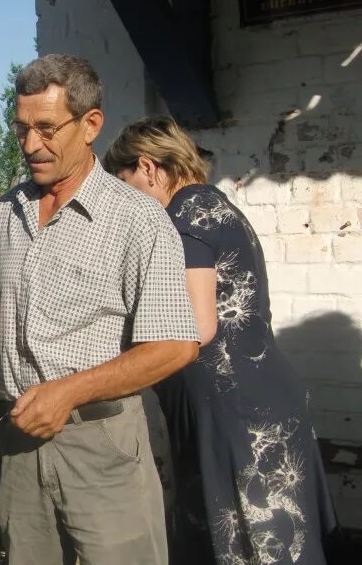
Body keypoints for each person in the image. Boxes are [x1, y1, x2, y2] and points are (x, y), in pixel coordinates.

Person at [0, 54, 200, 565]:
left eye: (47, 129)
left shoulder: (137, 220)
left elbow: (176, 345)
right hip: (18, 438)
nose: (31, 145)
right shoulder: (7, 212)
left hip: (101, 444)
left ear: (90, 124)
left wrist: (68, 392)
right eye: (21, 129)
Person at [103, 115, 338, 565]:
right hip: (257, 401)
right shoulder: (216, 206)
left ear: (149, 168)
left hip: (236, 416)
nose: (122, 196)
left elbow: (197, 324)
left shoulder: (184, 216)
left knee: (251, 547)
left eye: (122, 180)